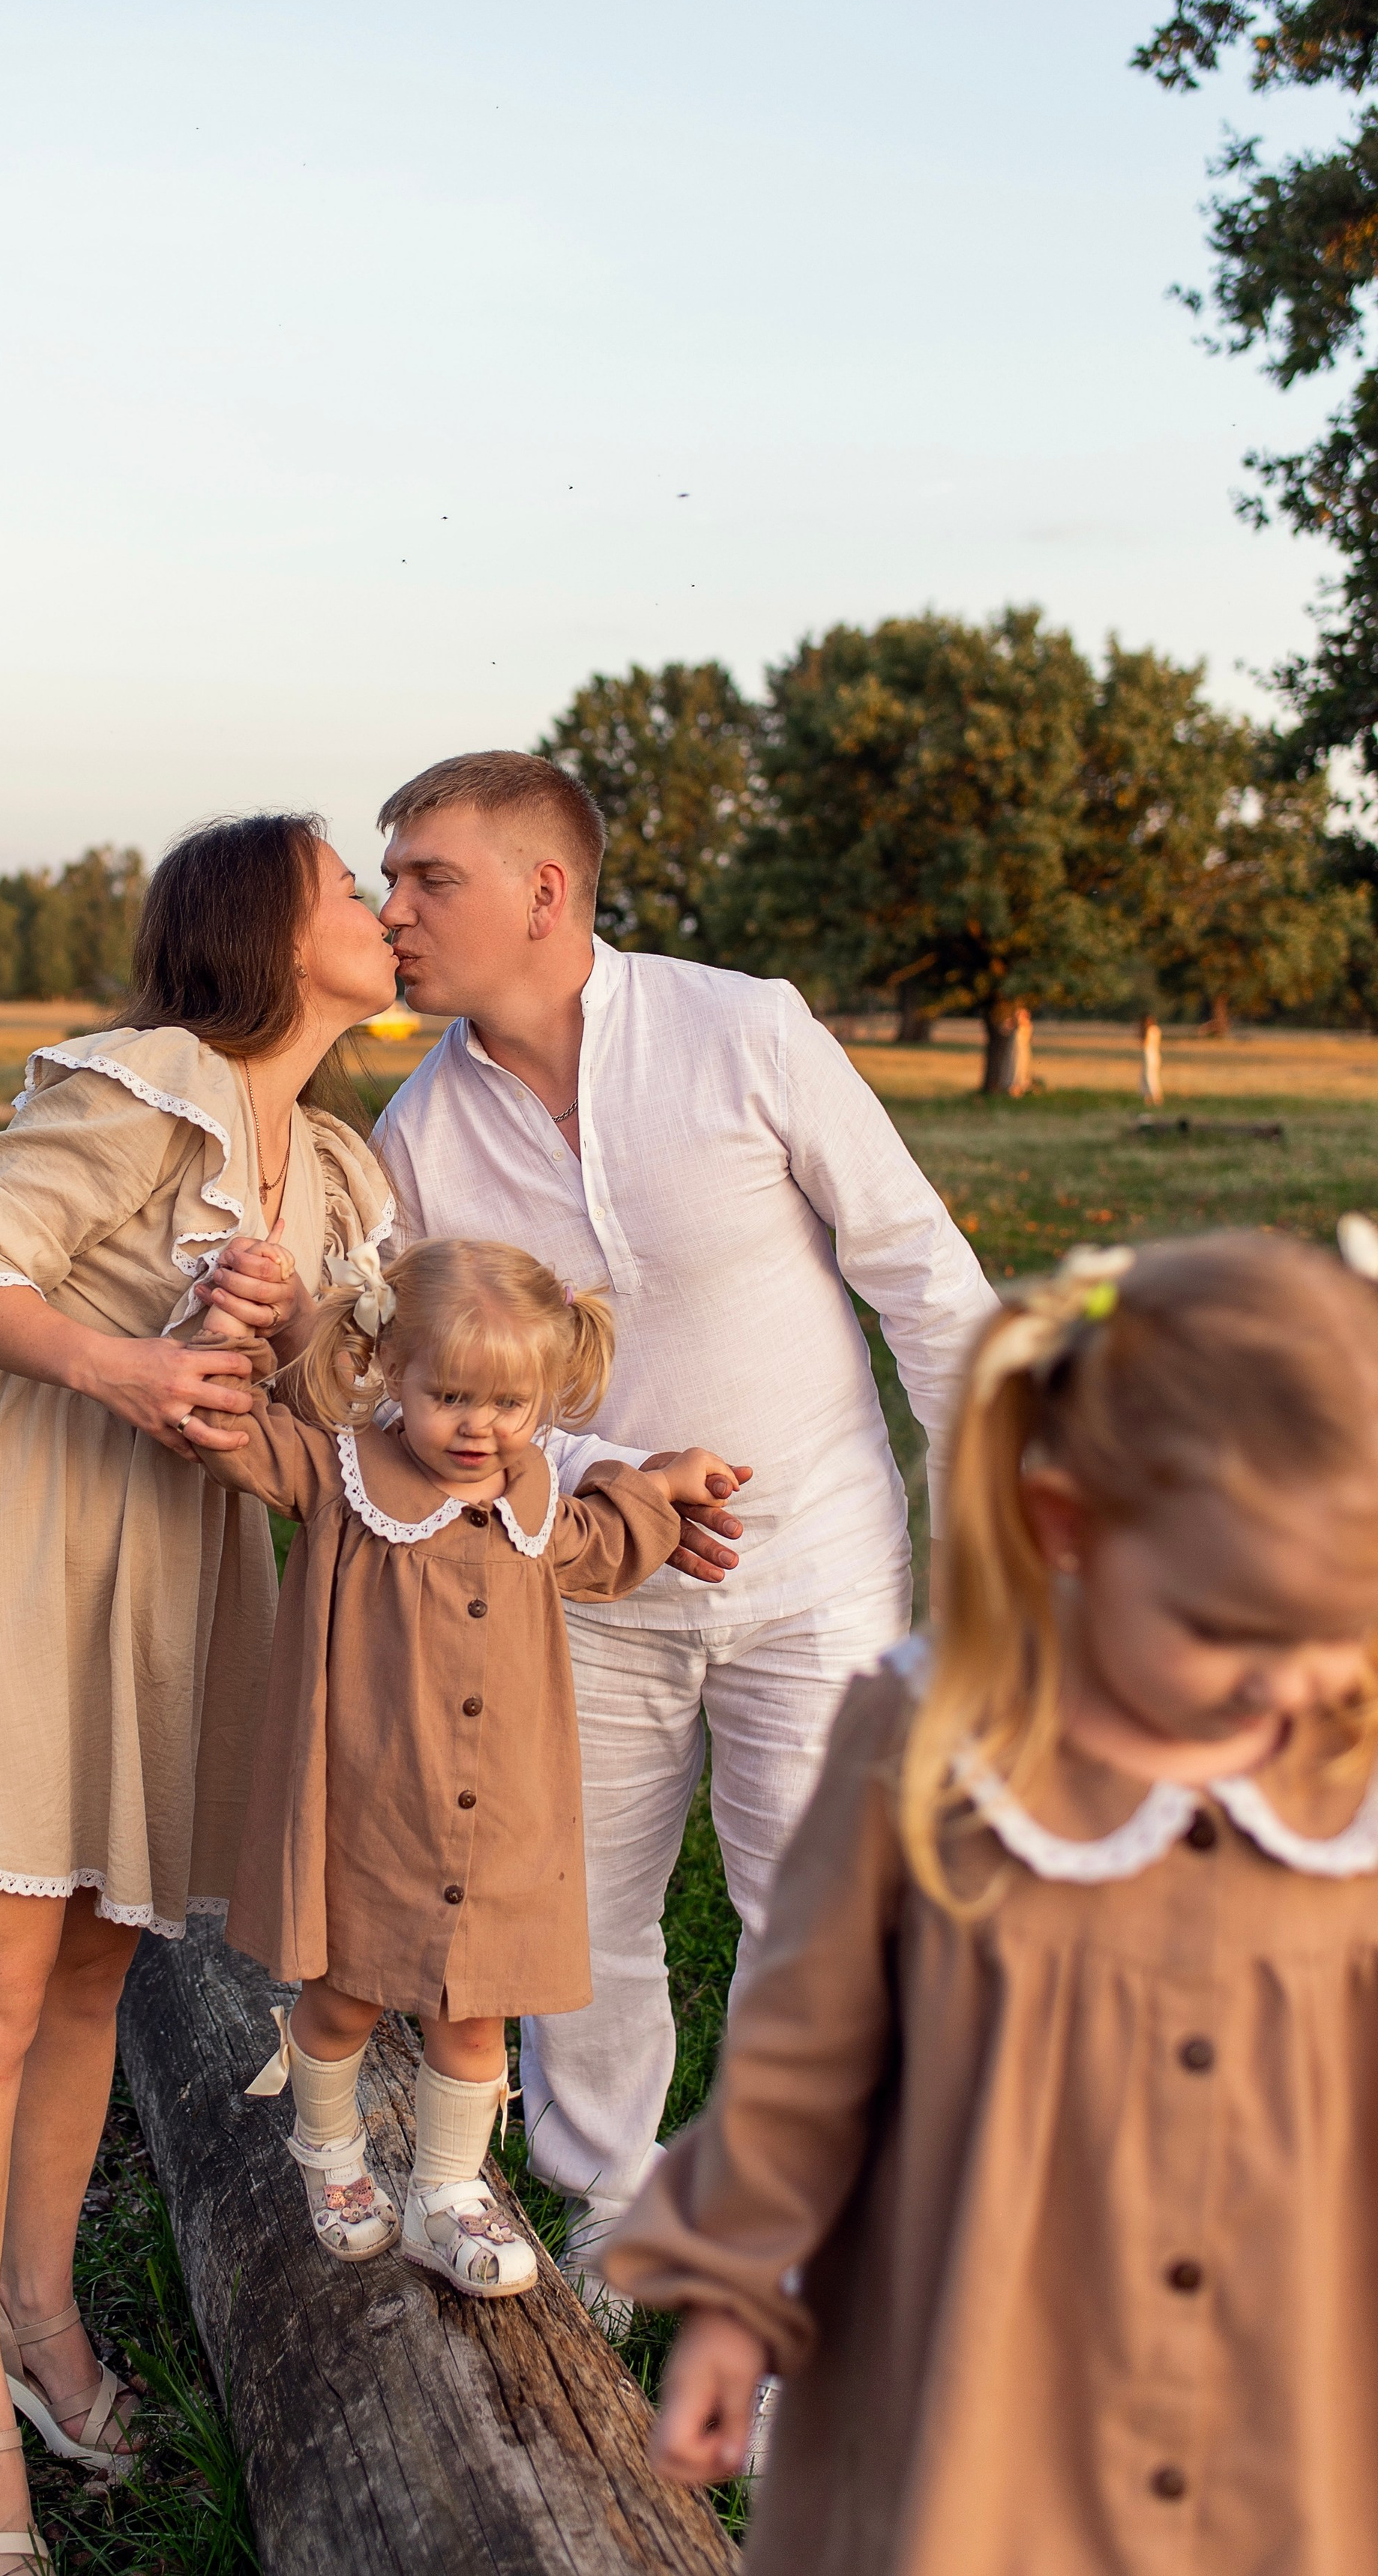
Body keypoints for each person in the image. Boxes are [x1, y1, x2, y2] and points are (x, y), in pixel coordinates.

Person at [607, 1233, 1378, 2576]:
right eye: (1225, 1632)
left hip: (1286, 2377)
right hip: (994, 2375)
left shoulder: (1350, 1769)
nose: (1287, 1683)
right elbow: (806, 2045)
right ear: (1066, 1527)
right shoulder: (932, 1746)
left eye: (1338, 1632)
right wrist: (733, 2296)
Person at [0, 813, 398, 2576]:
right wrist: (121, 1364)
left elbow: (338, 1413)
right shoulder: (152, 1082)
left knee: (89, 1969)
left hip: (177, 1579)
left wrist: (284, 1332)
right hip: (23, 1538)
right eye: (349, 886)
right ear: (270, 930)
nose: (381, 906)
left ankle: (38, 2317)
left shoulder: (339, 1168)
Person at [371, 750, 995, 2304]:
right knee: (581, 1913)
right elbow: (406, 1386)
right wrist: (609, 1474)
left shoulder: (742, 1027)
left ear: (543, 892)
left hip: (821, 1562)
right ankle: (612, 2203)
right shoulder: (415, 1137)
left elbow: (918, 1270)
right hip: (577, 1580)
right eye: (387, 882)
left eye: (426, 878)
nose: (392, 913)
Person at [184, 1235, 739, 2295]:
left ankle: (447, 2193)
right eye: (450, 1398)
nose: (481, 1428)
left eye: (511, 1405)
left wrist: (665, 1484)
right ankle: (329, 2154)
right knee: (345, 1998)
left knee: (476, 2011)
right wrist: (226, 1340)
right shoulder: (342, 1474)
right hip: (369, 1808)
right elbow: (227, 1433)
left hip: (496, 1816)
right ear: (390, 1370)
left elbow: (598, 1544)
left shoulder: (530, 1496)